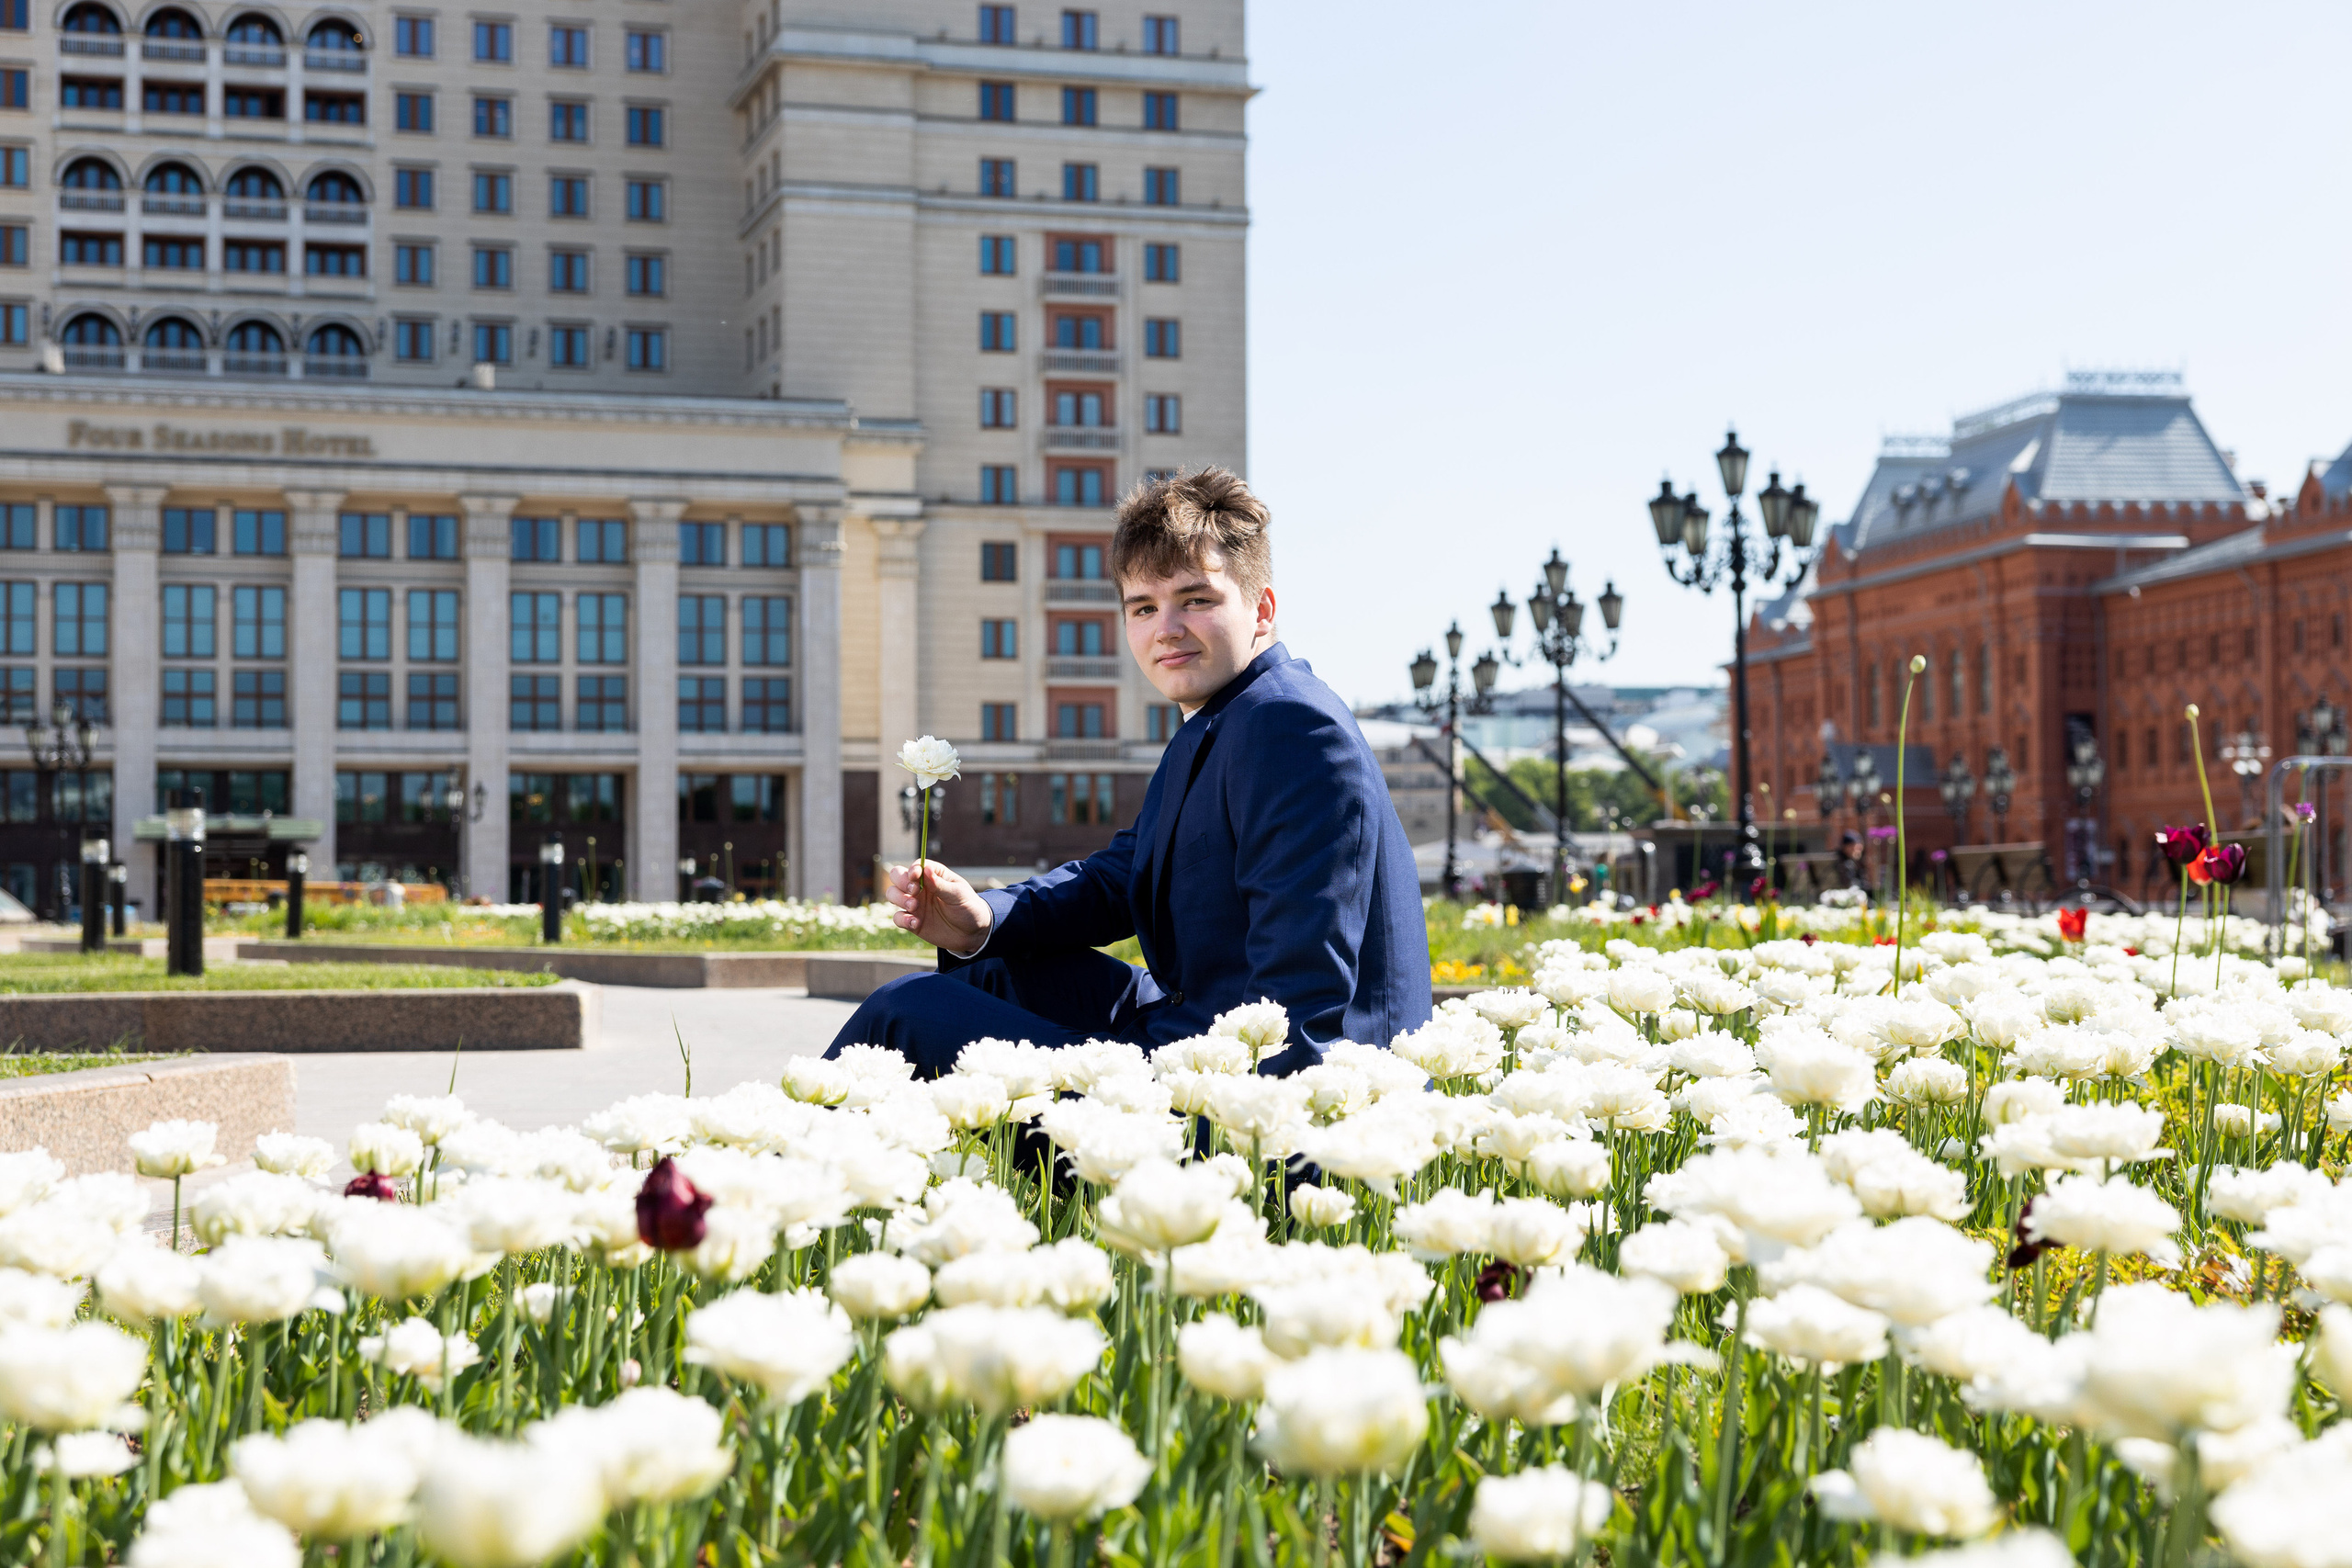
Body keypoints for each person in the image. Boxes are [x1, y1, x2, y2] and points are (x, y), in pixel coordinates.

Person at [828, 467, 1431, 1077]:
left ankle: (764, 1166)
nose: (1166, 629)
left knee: (903, 1013)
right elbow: (1121, 877)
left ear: (1262, 610)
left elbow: (1298, 1004)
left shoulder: (1290, 727)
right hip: (1189, 1023)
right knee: (989, 966)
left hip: (1242, 1088)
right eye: (1143, 607)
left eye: (1196, 599)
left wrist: (1231, 1140)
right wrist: (985, 918)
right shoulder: (1222, 719)